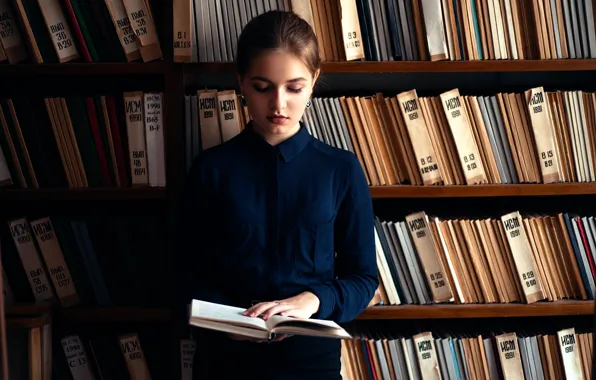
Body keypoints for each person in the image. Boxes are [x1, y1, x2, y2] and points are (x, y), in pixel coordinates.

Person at [177, 10, 378, 379]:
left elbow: (363, 278)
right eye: (262, 86)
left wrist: (312, 300)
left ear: (314, 81)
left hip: (310, 362)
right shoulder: (211, 170)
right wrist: (232, 320)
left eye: (294, 88)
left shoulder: (342, 169)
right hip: (225, 360)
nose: (278, 105)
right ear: (241, 81)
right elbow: (183, 273)